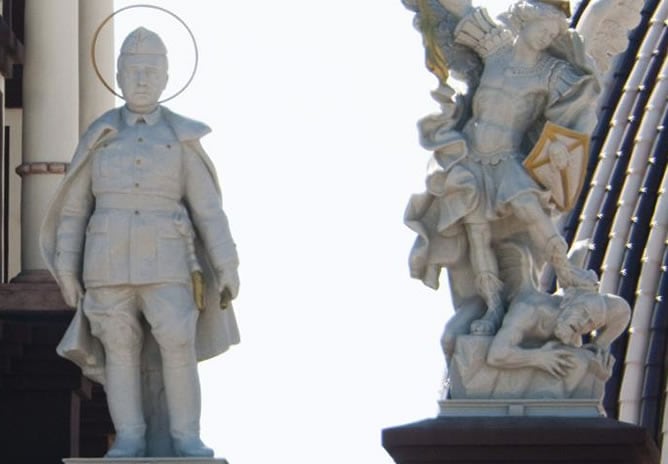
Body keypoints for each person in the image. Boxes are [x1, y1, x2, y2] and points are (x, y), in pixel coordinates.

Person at [40, 27, 239, 458]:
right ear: (118, 74)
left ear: (167, 78)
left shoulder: (181, 138)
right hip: (106, 259)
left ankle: (185, 435)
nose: (142, 79)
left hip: (168, 257)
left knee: (177, 343)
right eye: (133, 70)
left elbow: (208, 210)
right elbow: (74, 210)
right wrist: (68, 269)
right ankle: (129, 435)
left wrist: (227, 265)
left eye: (151, 70)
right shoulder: (100, 135)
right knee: (119, 349)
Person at [407, 0, 599, 335]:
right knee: (479, 236)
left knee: (531, 209)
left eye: (554, 32)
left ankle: (565, 270)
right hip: (469, 158)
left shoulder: (552, 73)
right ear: (525, 20)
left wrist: (560, 149)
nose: (547, 36)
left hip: (506, 159)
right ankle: (493, 306)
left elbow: (581, 102)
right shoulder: (493, 48)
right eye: (544, 28)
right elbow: (457, 12)